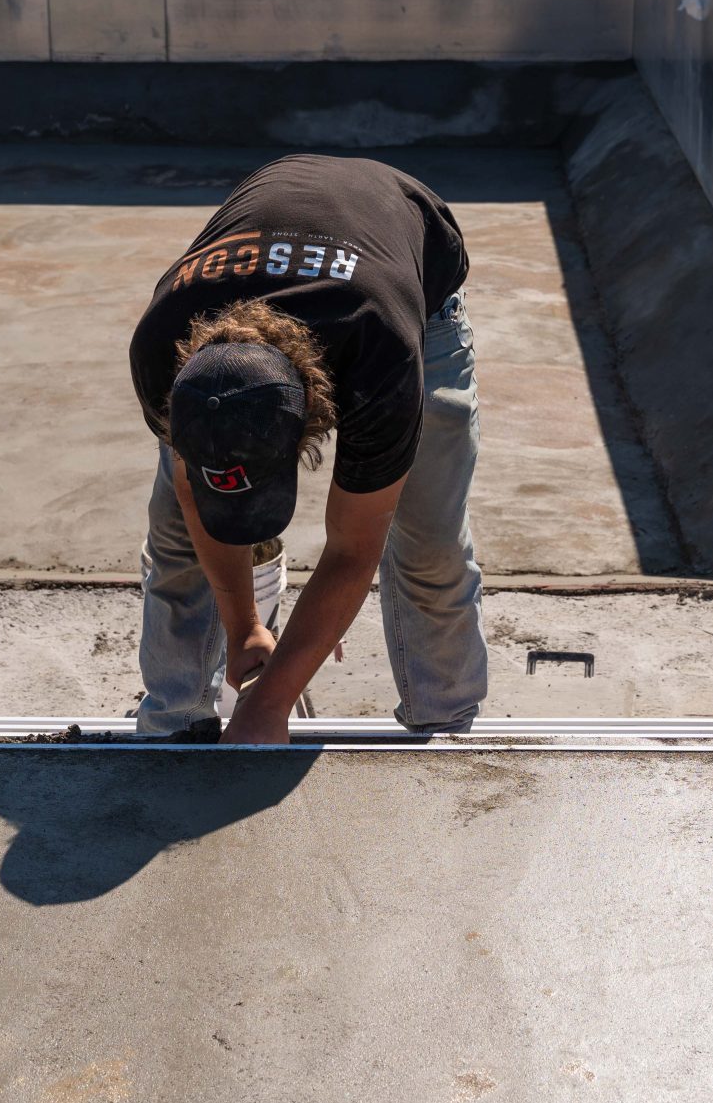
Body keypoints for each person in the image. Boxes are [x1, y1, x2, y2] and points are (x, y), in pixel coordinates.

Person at [129, 154, 483, 745]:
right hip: (243, 275)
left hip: (409, 287)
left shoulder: (382, 358)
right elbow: (195, 500)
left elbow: (352, 546)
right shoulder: (164, 352)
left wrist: (270, 703)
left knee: (429, 534)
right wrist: (243, 628)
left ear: (308, 431)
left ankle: (443, 729)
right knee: (174, 533)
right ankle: (174, 723)